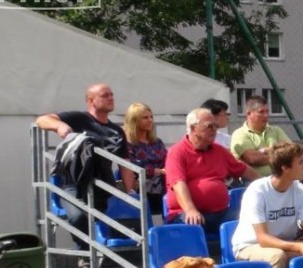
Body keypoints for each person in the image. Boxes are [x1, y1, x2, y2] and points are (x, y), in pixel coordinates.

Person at [35, 83, 136, 249]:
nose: (111, 98)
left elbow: (125, 164)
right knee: (78, 217)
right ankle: (87, 253)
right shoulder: (79, 119)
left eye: (112, 95)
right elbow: (41, 120)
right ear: (91, 101)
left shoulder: (117, 131)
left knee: (123, 217)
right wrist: (60, 126)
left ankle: (98, 254)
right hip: (74, 183)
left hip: (102, 186)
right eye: (105, 95)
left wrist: (130, 190)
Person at [165, 108, 260, 236]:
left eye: (216, 126)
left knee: (248, 220)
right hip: (186, 212)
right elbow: (178, 184)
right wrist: (190, 209)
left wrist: (268, 184)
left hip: (221, 213)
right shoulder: (177, 152)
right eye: (209, 126)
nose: (214, 130)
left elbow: (244, 170)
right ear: (193, 128)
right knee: (192, 224)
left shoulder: (220, 151)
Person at [123, 103, 167, 215]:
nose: (150, 120)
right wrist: (158, 171)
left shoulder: (157, 142)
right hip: (142, 186)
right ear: (134, 121)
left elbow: (168, 160)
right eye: (145, 117)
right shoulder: (127, 144)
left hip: (161, 183)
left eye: (151, 117)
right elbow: (132, 168)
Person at [230, 95, 291, 176]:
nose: (266, 115)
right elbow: (253, 159)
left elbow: (292, 152)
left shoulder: (276, 130)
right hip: (253, 180)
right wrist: (280, 155)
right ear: (249, 113)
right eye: (261, 112)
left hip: (282, 178)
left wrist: (268, 150)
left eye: (267, 111)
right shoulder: (240, 134)